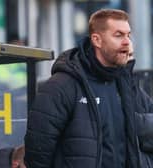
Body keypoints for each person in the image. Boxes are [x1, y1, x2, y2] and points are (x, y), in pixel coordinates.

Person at [24, 9, 153, 168]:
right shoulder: (62, 85)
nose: (127, 41)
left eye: (128, 35)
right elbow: (37, 151)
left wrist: (136, 123)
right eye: (118, 35)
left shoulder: (126, 84)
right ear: (96, 40)